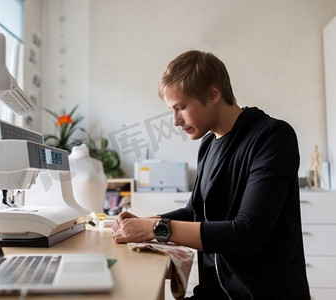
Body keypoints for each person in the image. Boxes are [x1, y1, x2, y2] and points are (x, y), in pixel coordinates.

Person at [112, 50, 310, 299]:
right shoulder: (208, 144)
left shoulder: (272, 136)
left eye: (181, 108)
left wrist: (154, 228)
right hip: (217, 290)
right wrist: (142, 222)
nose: (175, 121)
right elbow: (195, 212)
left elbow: (248, 234)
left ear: (213, 94)